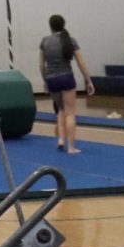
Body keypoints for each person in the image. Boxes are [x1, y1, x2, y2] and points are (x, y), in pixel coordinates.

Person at [40, 14, 95, 154]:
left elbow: (41, 64)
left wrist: (45, 80)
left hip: (52, 78)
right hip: (66, 77)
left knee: (60, 110)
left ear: (50, 26)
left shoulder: (45, 41)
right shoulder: (70, 40)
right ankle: (71, 147)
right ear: (63, 25)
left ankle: (61, 140)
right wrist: (88, 80)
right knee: (70, 113)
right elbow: (81, 63)